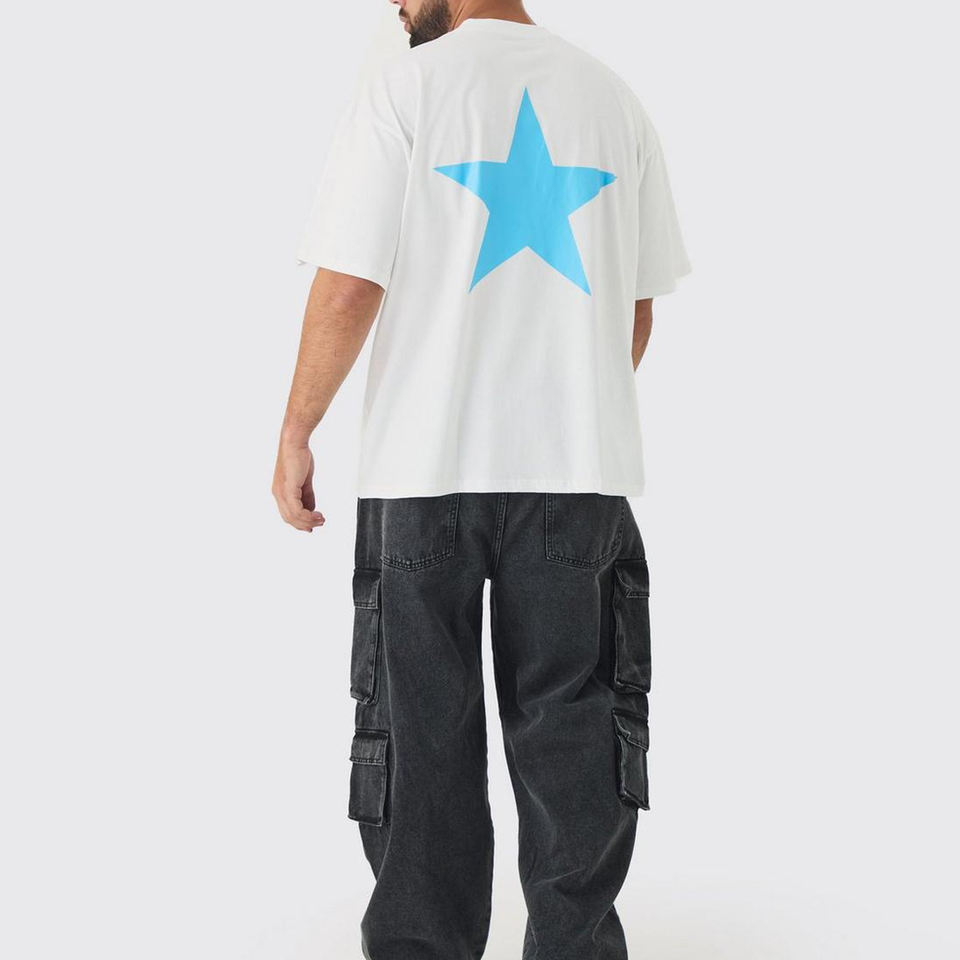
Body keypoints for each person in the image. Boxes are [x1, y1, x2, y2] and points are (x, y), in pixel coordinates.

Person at [272, 1, 689, 956]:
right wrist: (569, 408)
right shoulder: (611, 100)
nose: (394, 3)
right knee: (576, 734)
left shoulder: (406, 90)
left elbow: (348, 282)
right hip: (577, 480)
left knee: (418, 740)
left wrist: (297, 429)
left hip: (423, 474)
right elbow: (636, 308)